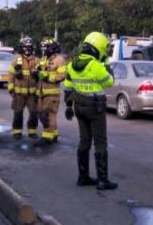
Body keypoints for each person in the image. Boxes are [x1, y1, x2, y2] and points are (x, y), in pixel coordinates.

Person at [64, 32, 118, 190]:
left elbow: (68, 87)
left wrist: (68, 106)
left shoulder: (72, 64)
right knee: (100, 142)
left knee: (84, 141)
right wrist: (106, 64)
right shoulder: (95, 66)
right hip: (95, 108)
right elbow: (109, 82)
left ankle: (83, 177)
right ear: (98, 49)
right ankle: (102, 180)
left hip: (79, 107)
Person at [34, 37, 66, 146]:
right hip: (42, 93)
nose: (43, 50)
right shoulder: (44, 59)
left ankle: (47, 138)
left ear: (51, 48)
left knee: (47, 116)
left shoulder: (59, 60)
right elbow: (39, 69)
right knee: (44, 115)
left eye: (45, 48)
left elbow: (62, 76)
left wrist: (47, 76)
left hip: (52, 94)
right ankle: (54, 134)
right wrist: (36, 72)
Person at [7, 37, 40, 139]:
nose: (27, 49)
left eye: (29, 47)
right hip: (19, 93)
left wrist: (37, 74)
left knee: (34, 113)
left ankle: (32, 131)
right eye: (25, 47)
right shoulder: (16, 59)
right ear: (21, 48)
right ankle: (17, 132)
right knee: (18, 113)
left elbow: (41, 76)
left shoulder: (37, 60)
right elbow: (11, 75)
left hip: (32, 94)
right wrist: (11, 88)